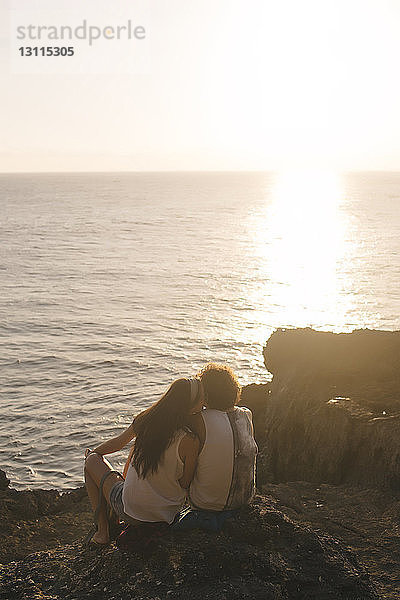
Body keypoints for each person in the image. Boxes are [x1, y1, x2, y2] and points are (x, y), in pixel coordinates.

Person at [84, 377, 203, 546]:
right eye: (202, 399)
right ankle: (112, 520)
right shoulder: (190, 440)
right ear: (190, 404)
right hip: (165, 517)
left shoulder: (146, 421)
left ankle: (102, 532)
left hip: (131, 512)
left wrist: (93, 454)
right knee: (137, 448)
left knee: (91, 461)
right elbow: (185, 483)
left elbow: (117, 444)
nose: (204, 403)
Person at [175, 363, 257, 530]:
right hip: (244, 501)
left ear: (204, 394)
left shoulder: (198, 420)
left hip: (205, 506)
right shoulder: (247, 414)